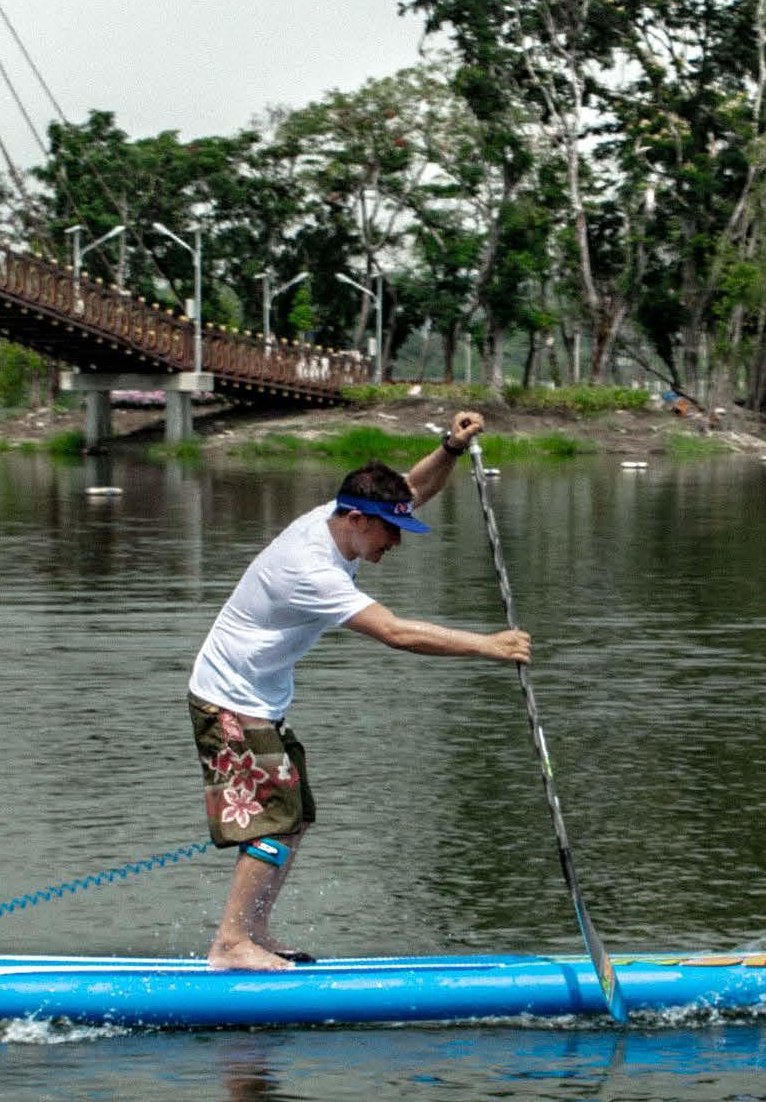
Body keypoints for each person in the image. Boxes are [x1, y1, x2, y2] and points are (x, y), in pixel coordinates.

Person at [187, 409, 532, 970]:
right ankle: (229, 943)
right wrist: (488, 646)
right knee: (275, 819)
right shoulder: (310, 569)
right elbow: (396, 633)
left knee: (296, 816)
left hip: (258, 698)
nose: (396, 541)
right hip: (229, 699)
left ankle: (253, 933)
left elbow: (411, 490)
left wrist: (450, 448)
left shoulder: (339, 518)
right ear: (355, 519)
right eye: (389, 531)